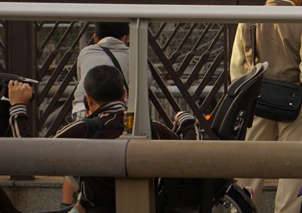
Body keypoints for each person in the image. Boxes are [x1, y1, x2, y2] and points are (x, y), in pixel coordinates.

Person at [7, 65, 198, 213]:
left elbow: (30, 156)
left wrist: (17, 107)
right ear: (124, 94)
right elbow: (195, 156)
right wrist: (187, 122)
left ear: (88, 99)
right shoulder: (152, 130)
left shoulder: (84, 129)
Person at [230, 0, 302, 213]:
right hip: (294, 103)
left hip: (257, 100)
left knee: (251, 164)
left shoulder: (249, 19)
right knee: (293, 166)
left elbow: (236, 69)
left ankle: (241, 207)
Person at [64, 22, 134, 206]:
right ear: (125, 38)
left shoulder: (86, 52)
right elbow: (147, 79)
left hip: (82, 112)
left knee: (73, 155)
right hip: (119, 118)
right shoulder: (132, 54)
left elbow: (42, 153)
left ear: (95, 38)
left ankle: (72, 203)